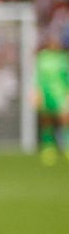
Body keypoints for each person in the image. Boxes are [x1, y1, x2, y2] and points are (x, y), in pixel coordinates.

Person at [35, 26, 69, 166]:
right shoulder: (42, 57)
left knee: (64, 119)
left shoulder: (63, 58)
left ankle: (66, 146)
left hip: (61, 93)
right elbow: (37, 77)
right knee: (46, 120)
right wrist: (36, 91)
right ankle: (48, 148)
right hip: (46, 94)